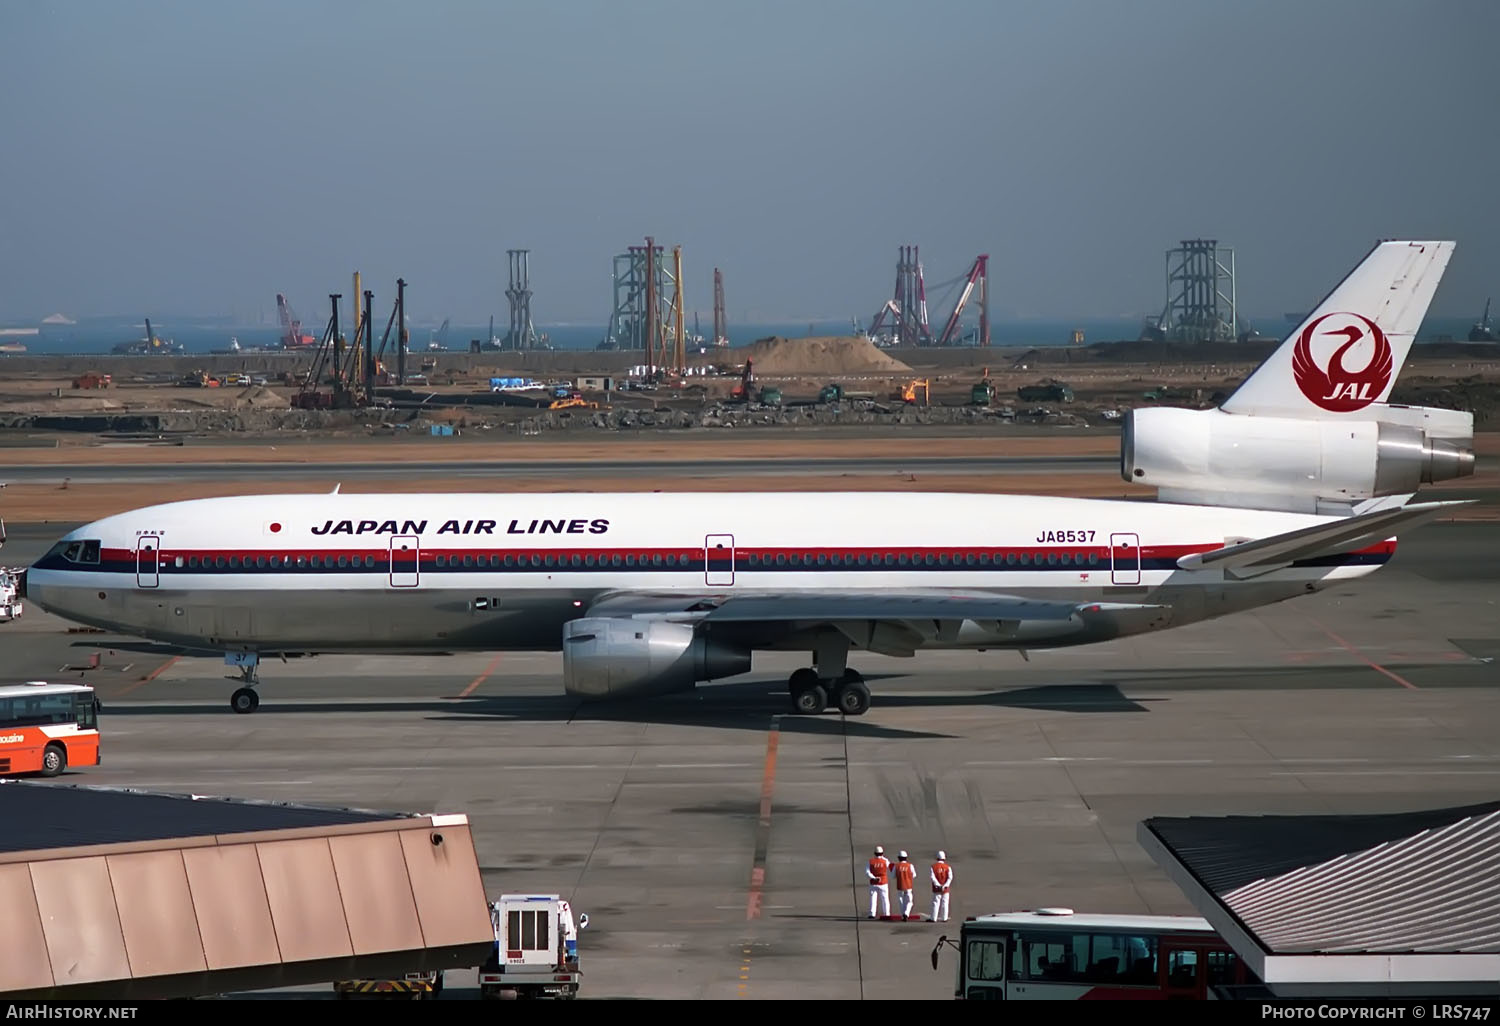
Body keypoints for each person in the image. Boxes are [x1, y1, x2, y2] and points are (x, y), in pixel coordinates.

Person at [866, 845, 891, 919]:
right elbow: (890, 868)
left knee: (873, 898)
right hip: (883, 882)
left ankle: (872, 913)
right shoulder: (885, 861)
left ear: (875, 853)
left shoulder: (870, 861)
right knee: (885, 898)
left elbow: (867, 872)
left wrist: (874, 877)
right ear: (882, 853)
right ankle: (886, 913)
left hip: (873, 883)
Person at [930, 851, 953, 923]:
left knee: (936, 902)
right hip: (945, 889)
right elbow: (950, 877)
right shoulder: (947, 867)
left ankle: (934, 918)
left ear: (937, 858)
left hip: (936, 889)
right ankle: (944, 918)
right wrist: (945, 885)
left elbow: (932, 877)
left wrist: (938, 885)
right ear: (944, 858)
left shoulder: (933, 867)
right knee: (945, 903)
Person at [894, 851, 916, 921]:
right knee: (909, 901)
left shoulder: (896, 866)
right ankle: (906, 913)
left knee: (901, 901)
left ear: (899, 858)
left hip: (900, 885)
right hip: (908, 886)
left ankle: (903, 914)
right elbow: (914, 875)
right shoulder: (910, 865)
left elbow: (893, 876)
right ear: (906, 858)